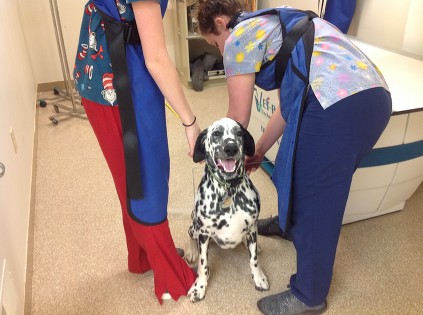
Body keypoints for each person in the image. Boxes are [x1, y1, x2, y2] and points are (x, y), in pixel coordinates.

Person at [196, 0, 391, 314]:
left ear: (221, 23)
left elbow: (237, 119)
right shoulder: (276, 21)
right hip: (369, 98)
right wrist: (258, 151)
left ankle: (308, 295)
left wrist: (216, 169)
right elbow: (289, 111)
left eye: (215, 43)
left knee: (316, 195)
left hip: (339, 103)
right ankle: (288, 224)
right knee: (290, 160)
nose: (221, 52)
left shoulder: (238, 38)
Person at [73, 0, 200, 303]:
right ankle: (169, 276)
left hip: (99, 73)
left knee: (129, 179)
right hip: (117, 83)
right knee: (146, 179)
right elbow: (157, 60)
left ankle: (141, 257)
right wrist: (190, 121)